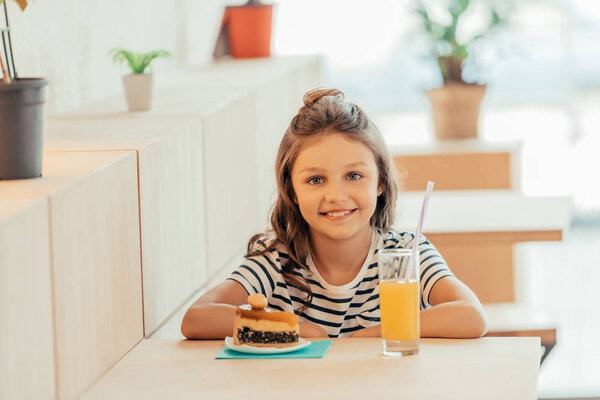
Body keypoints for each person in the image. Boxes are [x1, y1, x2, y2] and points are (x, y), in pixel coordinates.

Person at [181, 88, 487, 339]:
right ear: (292, 191)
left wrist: (369, 336)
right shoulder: (277, 259)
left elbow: (471, 315)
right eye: (315, 180)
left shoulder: (406, 254)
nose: (336, 196)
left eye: (353, 176)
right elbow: (197, 319)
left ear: (380, 181)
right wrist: (297, 327)